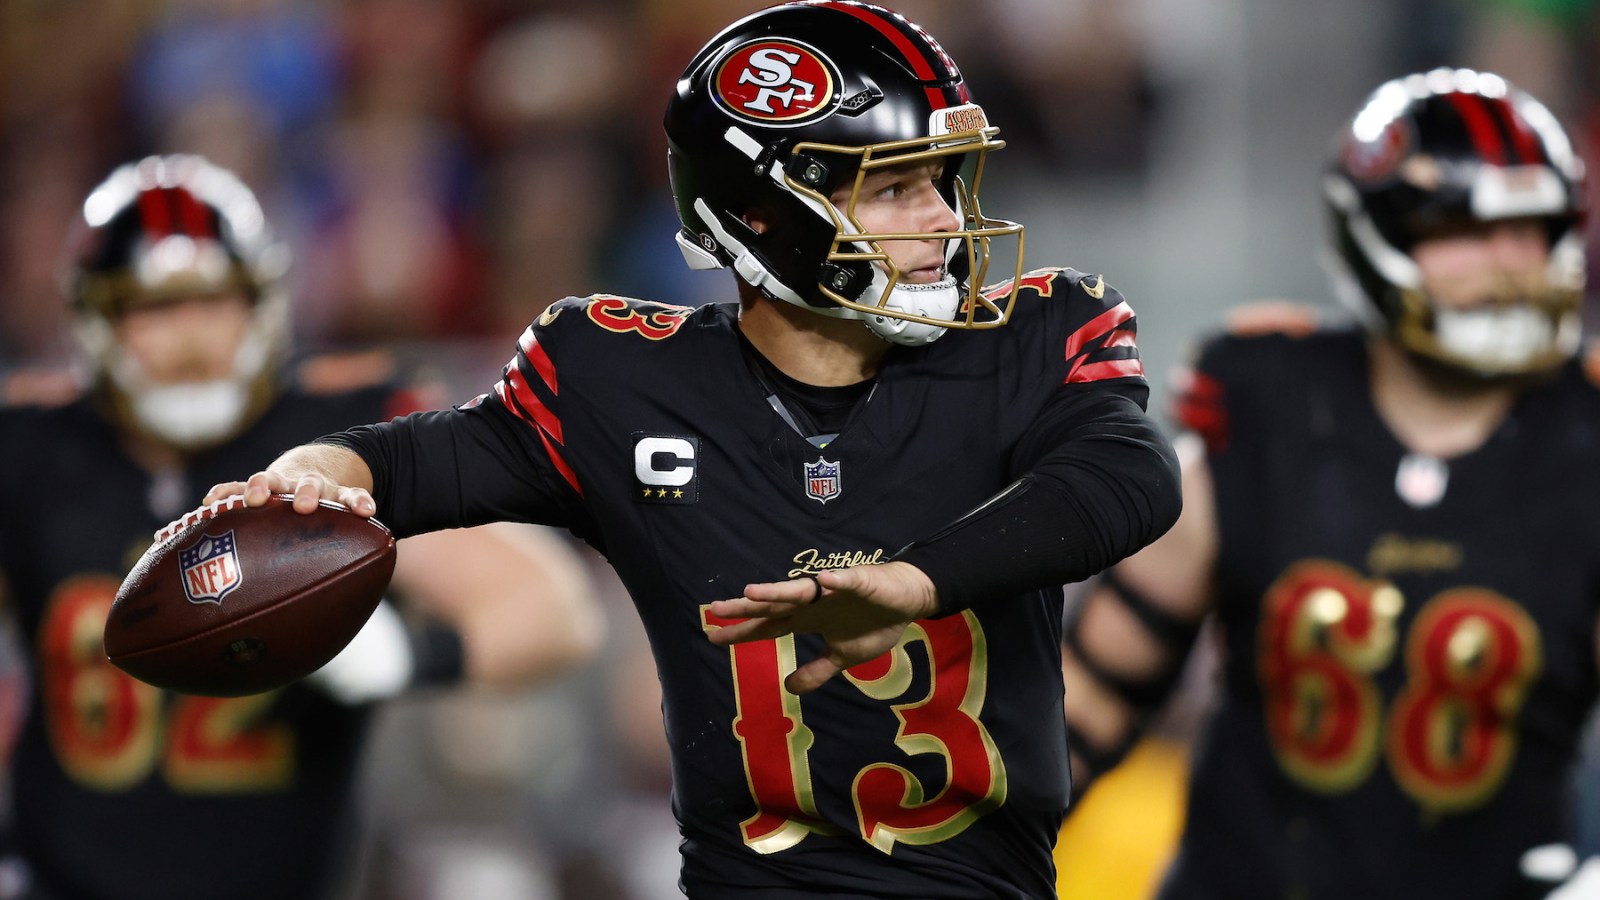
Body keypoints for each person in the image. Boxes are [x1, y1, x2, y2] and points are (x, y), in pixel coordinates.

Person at [201, 2, 1183, 896]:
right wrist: (313, 477)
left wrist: (921, 583)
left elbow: (1130, 476)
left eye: (939, 180)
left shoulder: (1035, 333)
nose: (942, 219)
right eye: (893, 189)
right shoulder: (621, 380)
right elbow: (416, 464)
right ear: (761, 215)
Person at [1058, 68, 1600, 900]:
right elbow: (1090, 699)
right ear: (1376, 232)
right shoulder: (1270, 410)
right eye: (1466, 228)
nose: (1512, 262)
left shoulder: (1583, 439)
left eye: (1535, 229)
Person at [0, 153, 603, 900]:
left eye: (215, 302)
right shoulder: (32, 443)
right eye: (154, 309)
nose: (191, 338)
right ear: (96, 321)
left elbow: (556, 608)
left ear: (263, 304)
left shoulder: (333, 436)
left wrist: (402, 657)